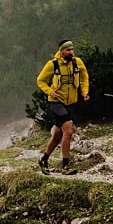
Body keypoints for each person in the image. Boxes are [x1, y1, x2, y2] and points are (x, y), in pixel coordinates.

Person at [36, 39, 90, 175]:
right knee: (68, 130)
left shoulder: (77, 62)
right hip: (56, 102)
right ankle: (65, 166)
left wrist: (84, 92)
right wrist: (49, 91)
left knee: (57, 134)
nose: (71, 52)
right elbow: (40, 80)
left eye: (72, 49)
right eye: (68, 50)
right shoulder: (52, 64)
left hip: (71, 102)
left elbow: (84, 77)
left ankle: (44, 159)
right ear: (61, 51)